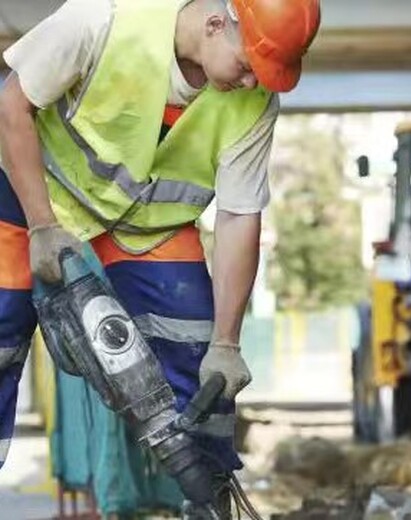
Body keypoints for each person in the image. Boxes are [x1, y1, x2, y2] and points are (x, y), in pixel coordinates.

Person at [0, 0, 320, 516]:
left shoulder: (256, 99)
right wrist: (41, 226)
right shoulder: (101, 19)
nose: (249, 84)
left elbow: (239, 217)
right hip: (32, 197)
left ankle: (209, 505)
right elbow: (12, 105)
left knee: (203, 372)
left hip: (148, 225)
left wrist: (226, 342)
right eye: (246, 67)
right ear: (216, 24)